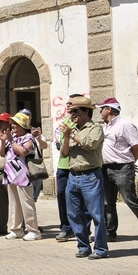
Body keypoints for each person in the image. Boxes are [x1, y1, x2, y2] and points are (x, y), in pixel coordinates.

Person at [97, 97, 138, 244]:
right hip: (106, 168)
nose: (100, 111)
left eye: (102, 108)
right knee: (107, 203)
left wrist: (131, 162)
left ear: (110, 110)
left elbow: (136, 146)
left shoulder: (125, 125)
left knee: (131, 200)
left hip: (122, 168)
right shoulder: (104, 127)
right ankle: (110, 232)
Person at [59, 96, 108, 259]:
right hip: (73, 176)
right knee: (74, 214)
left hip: (91, 175)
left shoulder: (95, 128)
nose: (72, 114)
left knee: (96, 215)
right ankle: (83, 246)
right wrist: (66, 136)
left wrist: (71, 134)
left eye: (75, 111)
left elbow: (90, 144)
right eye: (71, 111)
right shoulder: (73, 130)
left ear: (86, 112)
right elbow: (65, 153)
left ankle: (100, 249)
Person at [0, 112, 41, 241]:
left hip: (23, 176)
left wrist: (10, 140)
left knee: (27, 203)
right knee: (14, 204)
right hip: (10, 174)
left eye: (15, 124)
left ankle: (33, 230)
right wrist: (3, 141)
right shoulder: (13, 137)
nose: (12, 126)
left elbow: (23, 152)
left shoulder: (28, 138)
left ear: (22, 125)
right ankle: (16, 229)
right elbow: (2, 154)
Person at [54, 95, 84, 242]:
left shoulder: (85, 124)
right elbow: (61, 144)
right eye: (68, 104)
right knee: (61, 195)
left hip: (78, 166)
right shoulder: (64, 123)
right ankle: (65, 228)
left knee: (80, 200)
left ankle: (81, 229)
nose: (69, 107)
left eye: (72, 104)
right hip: (64, 166)